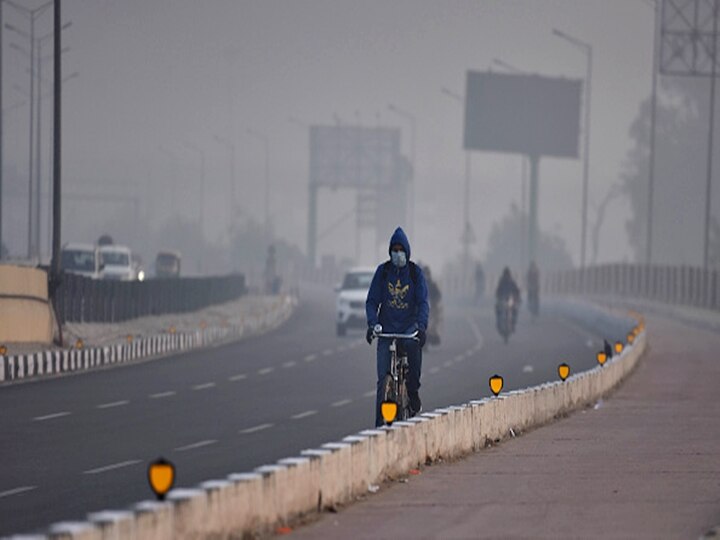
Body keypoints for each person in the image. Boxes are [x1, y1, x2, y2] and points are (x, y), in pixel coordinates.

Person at [366, 227, 429, 427]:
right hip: (386, 329)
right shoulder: (383, 272)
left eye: (401, 249)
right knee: (382, 379)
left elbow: (423, 302)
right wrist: (372, 323)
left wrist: (421, 326)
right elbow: (371, 301)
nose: (397, 253)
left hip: (408, 328)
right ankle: (378, 425)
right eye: (394, 249)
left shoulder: (415, 273)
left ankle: (412, 393)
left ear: (407, 251)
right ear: (390, 251)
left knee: (413, 347)